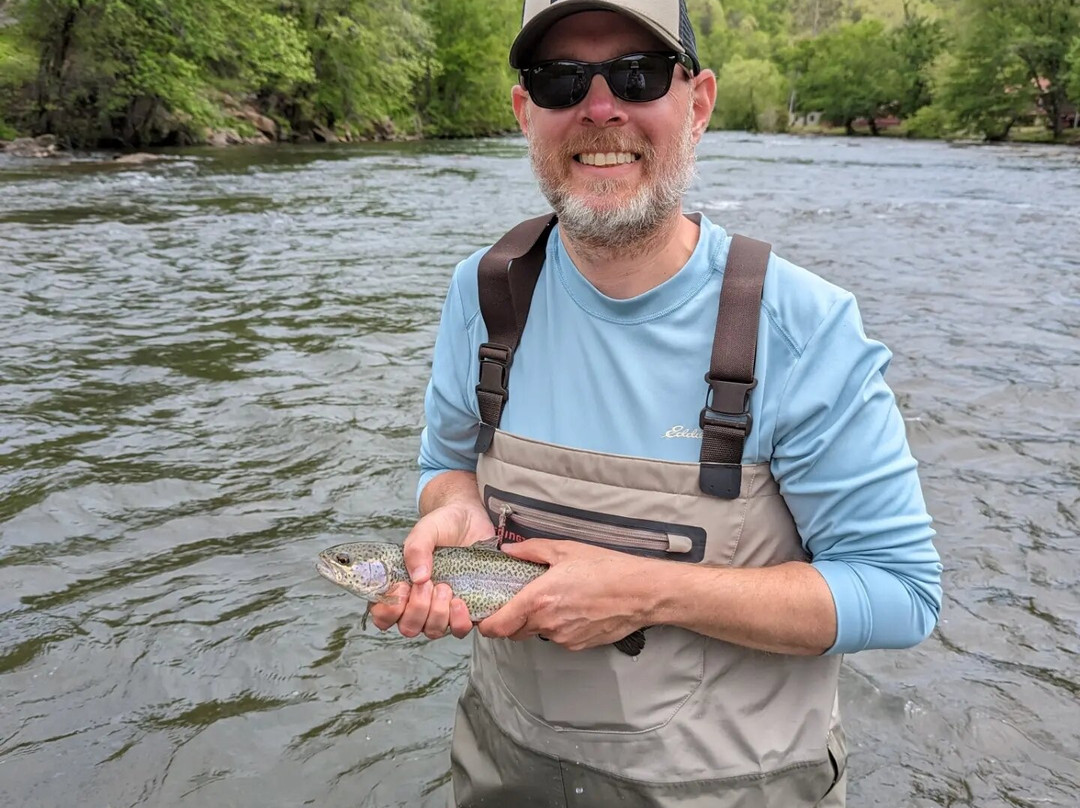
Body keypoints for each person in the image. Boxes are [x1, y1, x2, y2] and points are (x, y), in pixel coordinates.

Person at [371, 1, 943, 805]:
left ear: (699, 102)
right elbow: (445, 463)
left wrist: (646, 592)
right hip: (506, 765)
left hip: (738, 785)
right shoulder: (485, 290)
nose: (599, 109)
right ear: (525, 112)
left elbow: (900, 593)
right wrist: (454, 508)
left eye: (636, 76)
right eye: (560, 80)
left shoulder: (802, 325)